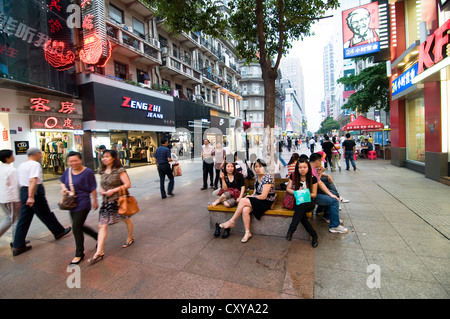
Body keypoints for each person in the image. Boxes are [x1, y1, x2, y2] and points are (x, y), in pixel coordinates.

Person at [12, 148, 71, 256]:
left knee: (24, 219)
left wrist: (25, 196)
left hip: (24, 191)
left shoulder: (21, 165)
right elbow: (33, 180)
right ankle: (59, 231)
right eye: (40, 154)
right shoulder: (34, 164)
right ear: (37, 154)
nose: (41, 157)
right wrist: (31, 196)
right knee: (46, 213)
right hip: (34, 192)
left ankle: (18, 244)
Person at [89, 150, 134, 263]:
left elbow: (128, 184)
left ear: (113, 158)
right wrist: (102, 190)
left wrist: (114, 190)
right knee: (102, 225)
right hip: (106, 201)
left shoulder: (119, 170)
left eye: (107, 157)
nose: (104, 159)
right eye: (103, 157)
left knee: (126, 219)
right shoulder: (102, 170)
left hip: (119, 201)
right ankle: (99, 251)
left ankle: (131, 236)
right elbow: (103, 184)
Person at [218, 159, 275, 243]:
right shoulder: (257, 176)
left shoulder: (268, 178)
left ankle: (232, 221)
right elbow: (256, 192)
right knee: (245, 210)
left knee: (243, 201)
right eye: (256, 166)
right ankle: (247, 232)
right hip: (258, 199)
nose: (258, 168)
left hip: (266, 201)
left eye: (260, 166)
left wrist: (250, 198)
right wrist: (251, 196)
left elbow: (263, 196)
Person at [60, 151, 98, 265]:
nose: (73, 163)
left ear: (80, 160)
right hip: (71, 203)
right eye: (71, 161)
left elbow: (93, 188)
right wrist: (63, 189)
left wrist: (95, 201)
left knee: (76, 227)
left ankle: (79, 253)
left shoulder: (88, 172)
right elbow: (62, 182)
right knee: (79, 225)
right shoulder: (68, 171)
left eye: (76, 160)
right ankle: (97, 236)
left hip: (83, 202)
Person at [285, 159, 318, 247]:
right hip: (298, 201)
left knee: (301, 207)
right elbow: (288, 189)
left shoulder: (312, 178)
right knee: (301, 214)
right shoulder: (294, 176)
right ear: (297, 168)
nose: (302, 169)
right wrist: (297, 193)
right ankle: (314, 235)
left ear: (308, 168)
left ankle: (291, 230)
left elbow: (314, 194)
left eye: (304, 167)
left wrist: (304, 194)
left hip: (309, 202)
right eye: (300, 167)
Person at [0, 150, 21, 245]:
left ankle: (16, 240)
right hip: (11, 198)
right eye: (12, 155)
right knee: (16, 220)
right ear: (7, 158)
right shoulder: (11, 170)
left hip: (2, 198)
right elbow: (15, 185)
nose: (14, 157)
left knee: (9, 218)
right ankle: (17, 242)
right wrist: (19, 199)